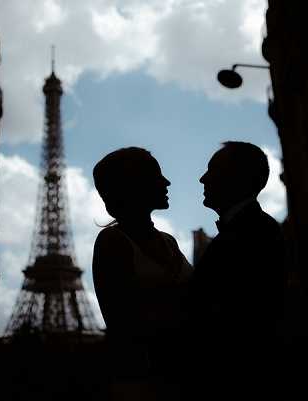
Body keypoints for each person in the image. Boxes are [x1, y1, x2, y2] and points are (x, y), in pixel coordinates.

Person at [186, 141, 285, 399]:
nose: (202, 178)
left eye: (212, 170)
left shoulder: (251, 236)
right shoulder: (257, 230)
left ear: (236, 178)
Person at [92, 147, 192, 401]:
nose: (166, 182)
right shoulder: (112, 242)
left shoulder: (169, 241)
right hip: (146, 382)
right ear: (135, 186)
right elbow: (124, 322)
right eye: (157, 175)